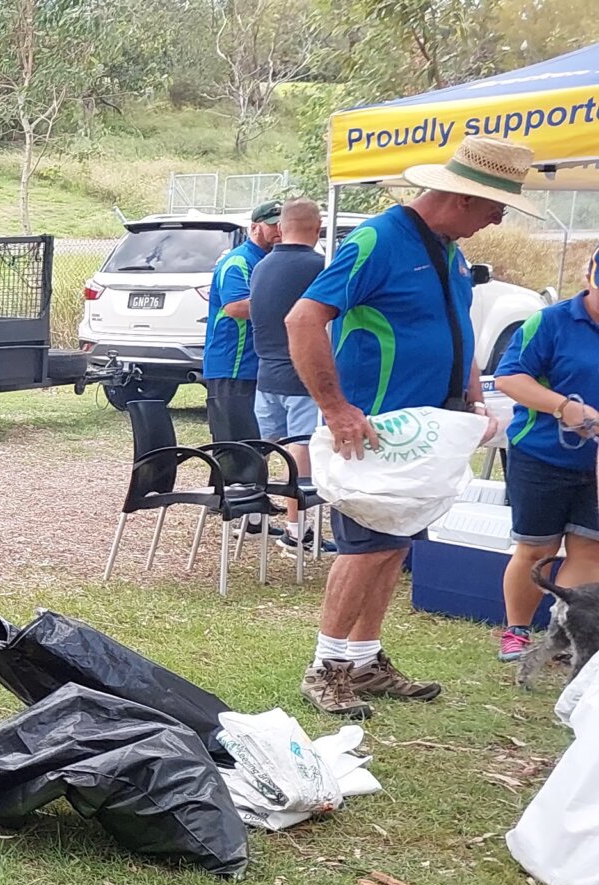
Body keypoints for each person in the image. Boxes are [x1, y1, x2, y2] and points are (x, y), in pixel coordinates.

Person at [286, 134, 536, 718]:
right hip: (375, 429)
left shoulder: (448, 250)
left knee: (394, 544)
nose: (499, 219)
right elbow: (302, 320)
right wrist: (336, 408)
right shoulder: (379, 239)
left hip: (427, 432)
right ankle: (326, 667)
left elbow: (457, 329)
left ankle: (364, 660)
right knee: (366, 549)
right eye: (496, 206)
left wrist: (473, 400)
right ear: (462, 197)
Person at [494, 252, 599, 661]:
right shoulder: (551, 322)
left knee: (590, 549)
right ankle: (516, 630)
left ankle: (563, 634)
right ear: (589, 277)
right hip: (541, 454)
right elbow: (509, 376)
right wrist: (563, 407)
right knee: (537, 549)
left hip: (595, 464)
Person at [249, 198, 328, 548]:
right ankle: (296, 528)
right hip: (301, 375)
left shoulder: (261, 267)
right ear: (318, 229)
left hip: (266, 372)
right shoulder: (321, 267)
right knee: (300, 447)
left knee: (266, 445)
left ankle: (252, 514)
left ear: (281, 228)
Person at [202, 201, 281, 445]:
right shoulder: (239, 261)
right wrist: (287, 304)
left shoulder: (273, 260)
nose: (279, 230)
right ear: (254, 227)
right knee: (234, 447)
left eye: (283, 224)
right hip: (232, 365)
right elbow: (236, 306)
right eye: (273, 225)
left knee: (259, 444)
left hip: (260, 365)